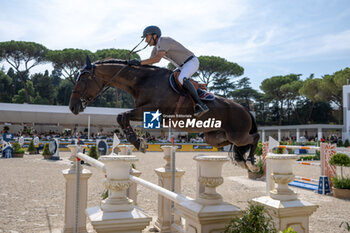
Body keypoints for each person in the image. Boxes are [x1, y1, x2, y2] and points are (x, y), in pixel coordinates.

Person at [128, 25, 209, 117]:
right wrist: (135, 65)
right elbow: (149, 63)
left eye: (147, 37)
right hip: (182, 66)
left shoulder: (164, 40)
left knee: (182, 78)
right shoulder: (156, 48)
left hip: (191, 62)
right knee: (168, 80)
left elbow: (157, 59)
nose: (146, 40)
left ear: (154, 36)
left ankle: (200, 104)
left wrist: (139, 62)